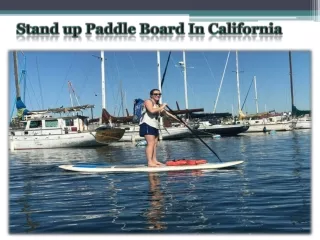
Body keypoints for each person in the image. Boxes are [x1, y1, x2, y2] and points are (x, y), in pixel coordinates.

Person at [139, 89, 181, 167]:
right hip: (147, 124)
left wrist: (179, 120)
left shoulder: (158, 105)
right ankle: (149, 162)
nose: (158, 95)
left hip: (155, 125)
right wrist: (162, 106)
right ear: (151, 95)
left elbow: (166, 113)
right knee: (150, 143)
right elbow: (151, 111)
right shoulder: (148, 101)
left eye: (159, 94)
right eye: (155, 94)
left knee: (155, 144)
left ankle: (154, 160)